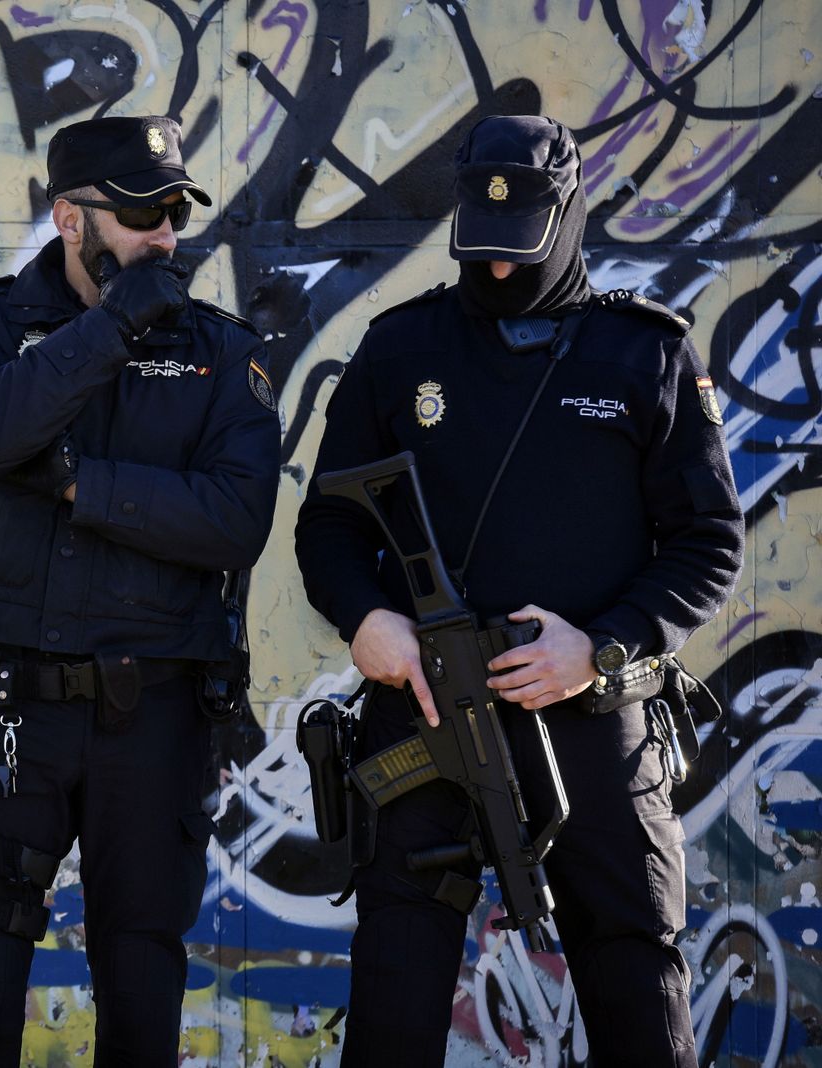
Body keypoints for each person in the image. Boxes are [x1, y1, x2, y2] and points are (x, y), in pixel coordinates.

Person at [295, 115, 743, 1066]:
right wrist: (367, 619)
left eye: (520, 250)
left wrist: (604, 646)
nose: (497, 271)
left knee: (638, 989)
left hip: (592, 726)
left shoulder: (646, 354)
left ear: (570, 214)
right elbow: (327, 525)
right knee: (394, 995)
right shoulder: (399, 348)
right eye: (480, 250)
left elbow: (708, 543)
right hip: (422, 714)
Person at [0, 116, 282, 1065]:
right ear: (68, 218)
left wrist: (81, 486)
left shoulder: (218, 352)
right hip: (10, 708)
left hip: (154, 715)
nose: (164, 234)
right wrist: (113, 325)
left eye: (174, 211)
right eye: (138, 213)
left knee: (142, 984)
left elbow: (236, 521)